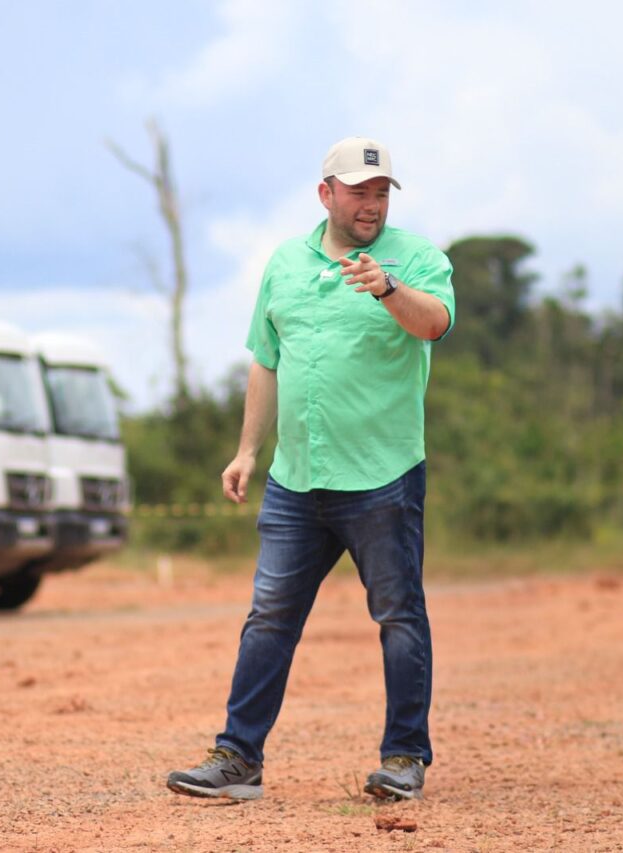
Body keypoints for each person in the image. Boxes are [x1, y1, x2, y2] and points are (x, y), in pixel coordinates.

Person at [166, 137, 455, 802]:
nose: (371, 205)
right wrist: (247, 450)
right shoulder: (285, 264)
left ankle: (404, 758)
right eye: (358, 192)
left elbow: (436, 324)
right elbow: (266, 361)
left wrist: (388, 288)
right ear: (326, 194)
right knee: (268, 617)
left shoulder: (417, 259)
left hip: (382, 477)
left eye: (380, 193)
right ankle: (239, 759)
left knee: (399, 615)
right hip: (296, 480)